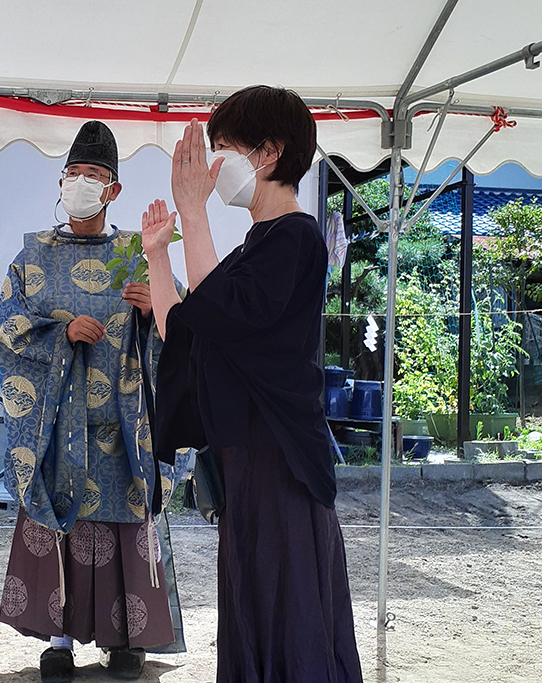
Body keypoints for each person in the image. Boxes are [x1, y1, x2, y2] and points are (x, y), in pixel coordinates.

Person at [142, 86, 364, 682]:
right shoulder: (255, 244)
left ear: (268, 153)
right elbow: (186, 332)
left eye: (224, 149)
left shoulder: (296, 235)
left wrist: (194, 212)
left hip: (280, 458)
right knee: (254, 605)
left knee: (285, 611)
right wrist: (158, 256)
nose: (212, 167)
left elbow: (225, 313)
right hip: (249, 459)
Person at [0, 120, 187, 683]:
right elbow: (9, 332)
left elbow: (182, 337)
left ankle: (126, 639)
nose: (81, 183)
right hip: (57, 425)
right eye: (73, 174)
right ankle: (58, 642)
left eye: (94, 175)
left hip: (126, 427)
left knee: (126, 523)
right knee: (63, 522)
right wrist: (61, 335)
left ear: (114, 190)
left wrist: (154, 310)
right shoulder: (32, 257)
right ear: (61, 182)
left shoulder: (138, 255)